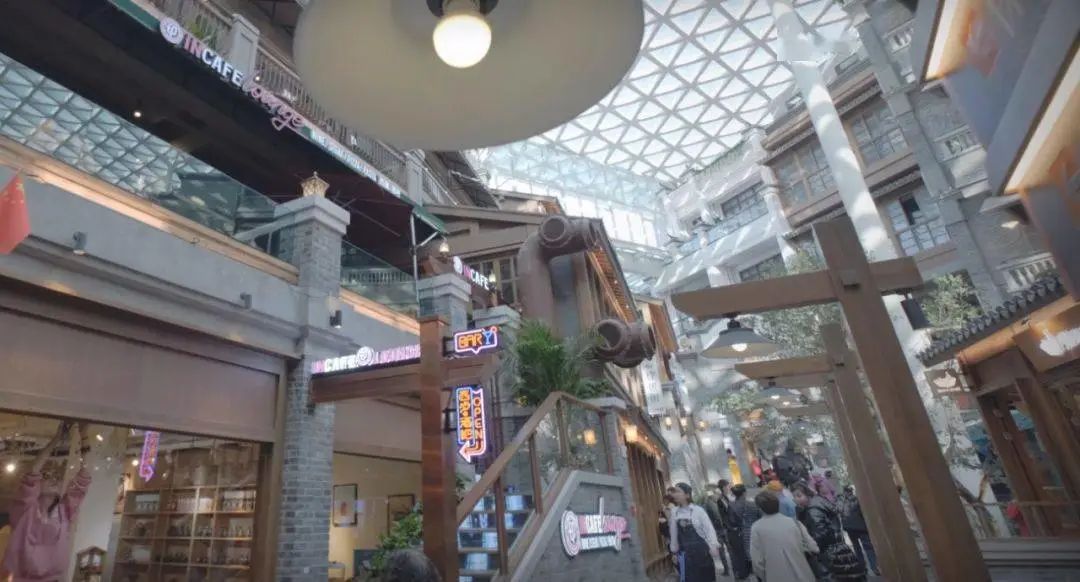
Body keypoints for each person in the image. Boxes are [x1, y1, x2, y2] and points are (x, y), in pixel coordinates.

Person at [2, 421, 92, 582]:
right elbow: (33, 471)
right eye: (47, 475)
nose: (54, 478)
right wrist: (56, 439)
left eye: (57, 476)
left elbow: (85, 476)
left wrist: (84, 435)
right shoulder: (25, 510)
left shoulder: (64, 511)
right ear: (37, 484)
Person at [793, 482, 865, 581]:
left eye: (799, 496)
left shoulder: (812, 510)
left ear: (807, 494)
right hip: (839, 549)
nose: (796, 499)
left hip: (829, 553)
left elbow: (820, 533)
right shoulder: (819, 502)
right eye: (794, 497)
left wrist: (810, 546)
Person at [749, 491, 819, 582]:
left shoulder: (756, 528)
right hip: (803, 574)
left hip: (776, 576)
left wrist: (765, 576)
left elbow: (757, 561)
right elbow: (813, 548)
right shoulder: (794, 522)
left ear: (760, 508)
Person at [668, 483, 719, 582]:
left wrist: (713, 545)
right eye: (674, 492)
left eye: (678, 491)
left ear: (687, 495)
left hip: (702, 552)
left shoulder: (698, 510)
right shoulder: (674, 512)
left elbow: (709, 530)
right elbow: (673, 534)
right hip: (685, 554)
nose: (675, 494)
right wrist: (674, 552)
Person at [839, 486, 879, 576]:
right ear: (851, 491)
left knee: (857, 548)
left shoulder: (841, 502)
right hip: (861, 527)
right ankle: (874, 567)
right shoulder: (858, 500)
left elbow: (840, 512)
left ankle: (862, 567)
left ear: (844, 492)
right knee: (868, 547)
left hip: (850, 528)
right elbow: (863, 512)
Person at [726, 484, 761, 580]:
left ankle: (746, 574)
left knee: (742, 556)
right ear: (744, 493)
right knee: (755, 555)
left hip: (739, 534)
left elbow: (731, 522)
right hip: (753, 532)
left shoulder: (731, 505)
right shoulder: (752, 504)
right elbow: (759, 517)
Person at [702, 484, 732, 576]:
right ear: (713, 494)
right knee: (724, 550)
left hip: (719, 530)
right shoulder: (711, 504)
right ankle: (729, 569)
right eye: (717, 494)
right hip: (718, 530)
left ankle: (728, 569)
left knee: (724, 550)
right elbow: (716, 517)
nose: (718, 496)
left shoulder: (711, 503)